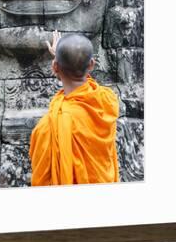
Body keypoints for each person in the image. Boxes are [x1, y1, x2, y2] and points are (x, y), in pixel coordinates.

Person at [29, 31, 119, 186]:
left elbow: (42, 184)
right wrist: (62, 57)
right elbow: (84, 80)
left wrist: (59, 58)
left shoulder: (47, 128)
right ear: (91, 64)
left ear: (55, 67)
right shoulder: (107, 102)